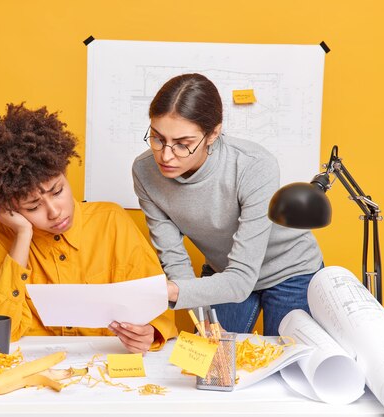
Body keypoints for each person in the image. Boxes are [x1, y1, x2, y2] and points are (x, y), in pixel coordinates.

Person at [0, 103, 177, 353]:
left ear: (64, 172)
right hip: (35, 370)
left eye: (58, 191)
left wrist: (150, 333)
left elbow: (156, 306)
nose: (54, 212)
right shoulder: (4, 235)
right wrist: (22, 236)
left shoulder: (111, 221)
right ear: (10, 207)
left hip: (106, 366)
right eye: (32, 207)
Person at [132, 74, 323, 336]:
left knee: (286, 365)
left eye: (182, 144)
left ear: (213, 134)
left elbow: (242, 279)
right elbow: (175, 260)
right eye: (157, 138)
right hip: (225, 273)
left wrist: (172, 292)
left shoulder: (254, 165)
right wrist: (201, 323)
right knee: (212, 367)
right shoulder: (144, 172)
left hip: (289, 271)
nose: (165, 155)